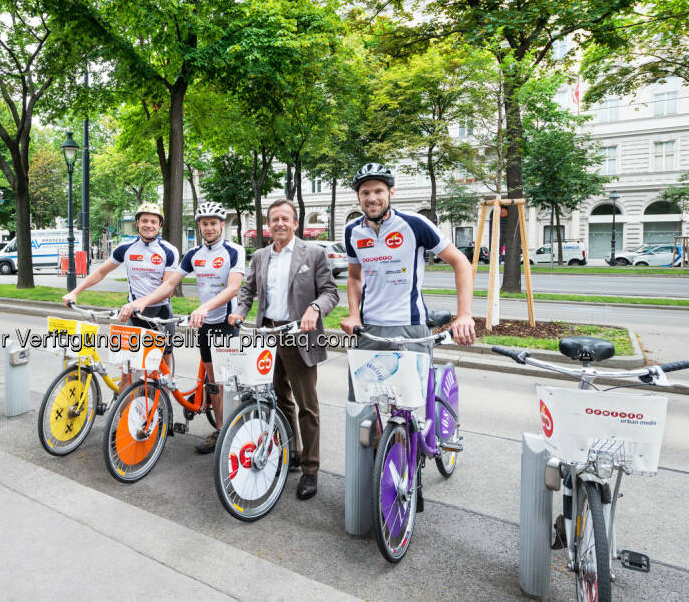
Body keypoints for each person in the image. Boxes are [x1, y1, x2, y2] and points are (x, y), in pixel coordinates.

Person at [229, 199, 340, 501]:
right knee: (278, 398)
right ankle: (292, 452)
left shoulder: (313, 253)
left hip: (299, 335)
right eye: (274, 219)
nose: (279, 223)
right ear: (268, 224)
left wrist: (315, 308)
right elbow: (248, 290)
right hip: (267, 334)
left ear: (294, 223)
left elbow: (331, 292)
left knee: (308, 406)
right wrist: (240, 310)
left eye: (285, 218)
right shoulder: (261, 255)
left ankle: (310, 470)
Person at [118, 202, 246, 454]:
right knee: (211, 382)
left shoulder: (234, 250)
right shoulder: (193, 254)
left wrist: (204, 308)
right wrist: (141, 302)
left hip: (225, 322)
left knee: (221, 382)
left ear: (222, 225)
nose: (209, 228)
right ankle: (220, 429)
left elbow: (233, 288)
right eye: (204, 224)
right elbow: (169, 285)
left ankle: (226, 432)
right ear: (199, 226)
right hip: (204, 324)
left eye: (213, 223)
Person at [339, 163, 477, 373]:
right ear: (358, 196)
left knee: (407, 399)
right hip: (368, 327)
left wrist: (464, 315)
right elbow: (354, 277)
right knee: (362, 397)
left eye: (378, 191)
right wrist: (353, 315)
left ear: (391, 192)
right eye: (365, 192)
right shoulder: (352, 231)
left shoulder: (414, 223)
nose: (372, 198)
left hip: (410, 325)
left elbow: (461, 263)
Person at [63, 202, 180, 389]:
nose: (148, 225)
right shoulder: (126, 248)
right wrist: (75, 291)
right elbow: (101, 272)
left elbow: (167, 289)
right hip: (134, 316)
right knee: (127, 372)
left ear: (160, 226)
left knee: (162, 369)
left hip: (161, 315)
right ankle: (122, 414)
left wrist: (137, 303)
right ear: (137, 223)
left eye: (153, 221)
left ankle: (162, 411)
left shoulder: (169, 251)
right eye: (144, 221)